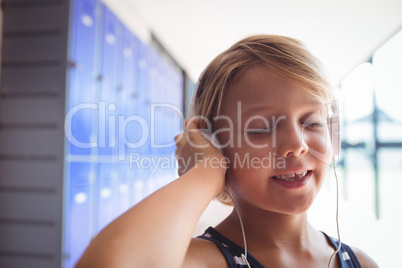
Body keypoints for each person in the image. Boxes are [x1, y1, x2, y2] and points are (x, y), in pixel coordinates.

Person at [76, 35, 378, 268]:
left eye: (311, 122)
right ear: (217, 144)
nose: (296, 144)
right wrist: (205, 173)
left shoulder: (360, 262)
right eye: (260, 128)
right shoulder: (203, 261)